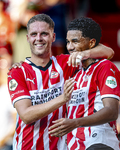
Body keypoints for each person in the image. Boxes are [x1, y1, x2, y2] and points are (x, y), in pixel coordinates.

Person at [7, 14, 114, 150]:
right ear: (28, 38)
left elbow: (108, 52)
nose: (38, 38)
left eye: (44, 34)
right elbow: (26, 115)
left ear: (53, 37)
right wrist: (62, 99)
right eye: (34, 34)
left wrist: (85, 53)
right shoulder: (17, 72)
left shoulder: (65, 63)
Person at [48, 17, 120, 150]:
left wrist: (75, 123)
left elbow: (112, 111)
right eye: (68, 42)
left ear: (92, 43)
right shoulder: (75, 71)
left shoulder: (104, 67)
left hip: (99, 142)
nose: (70, 47)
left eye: (75, 41)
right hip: (75, 144)